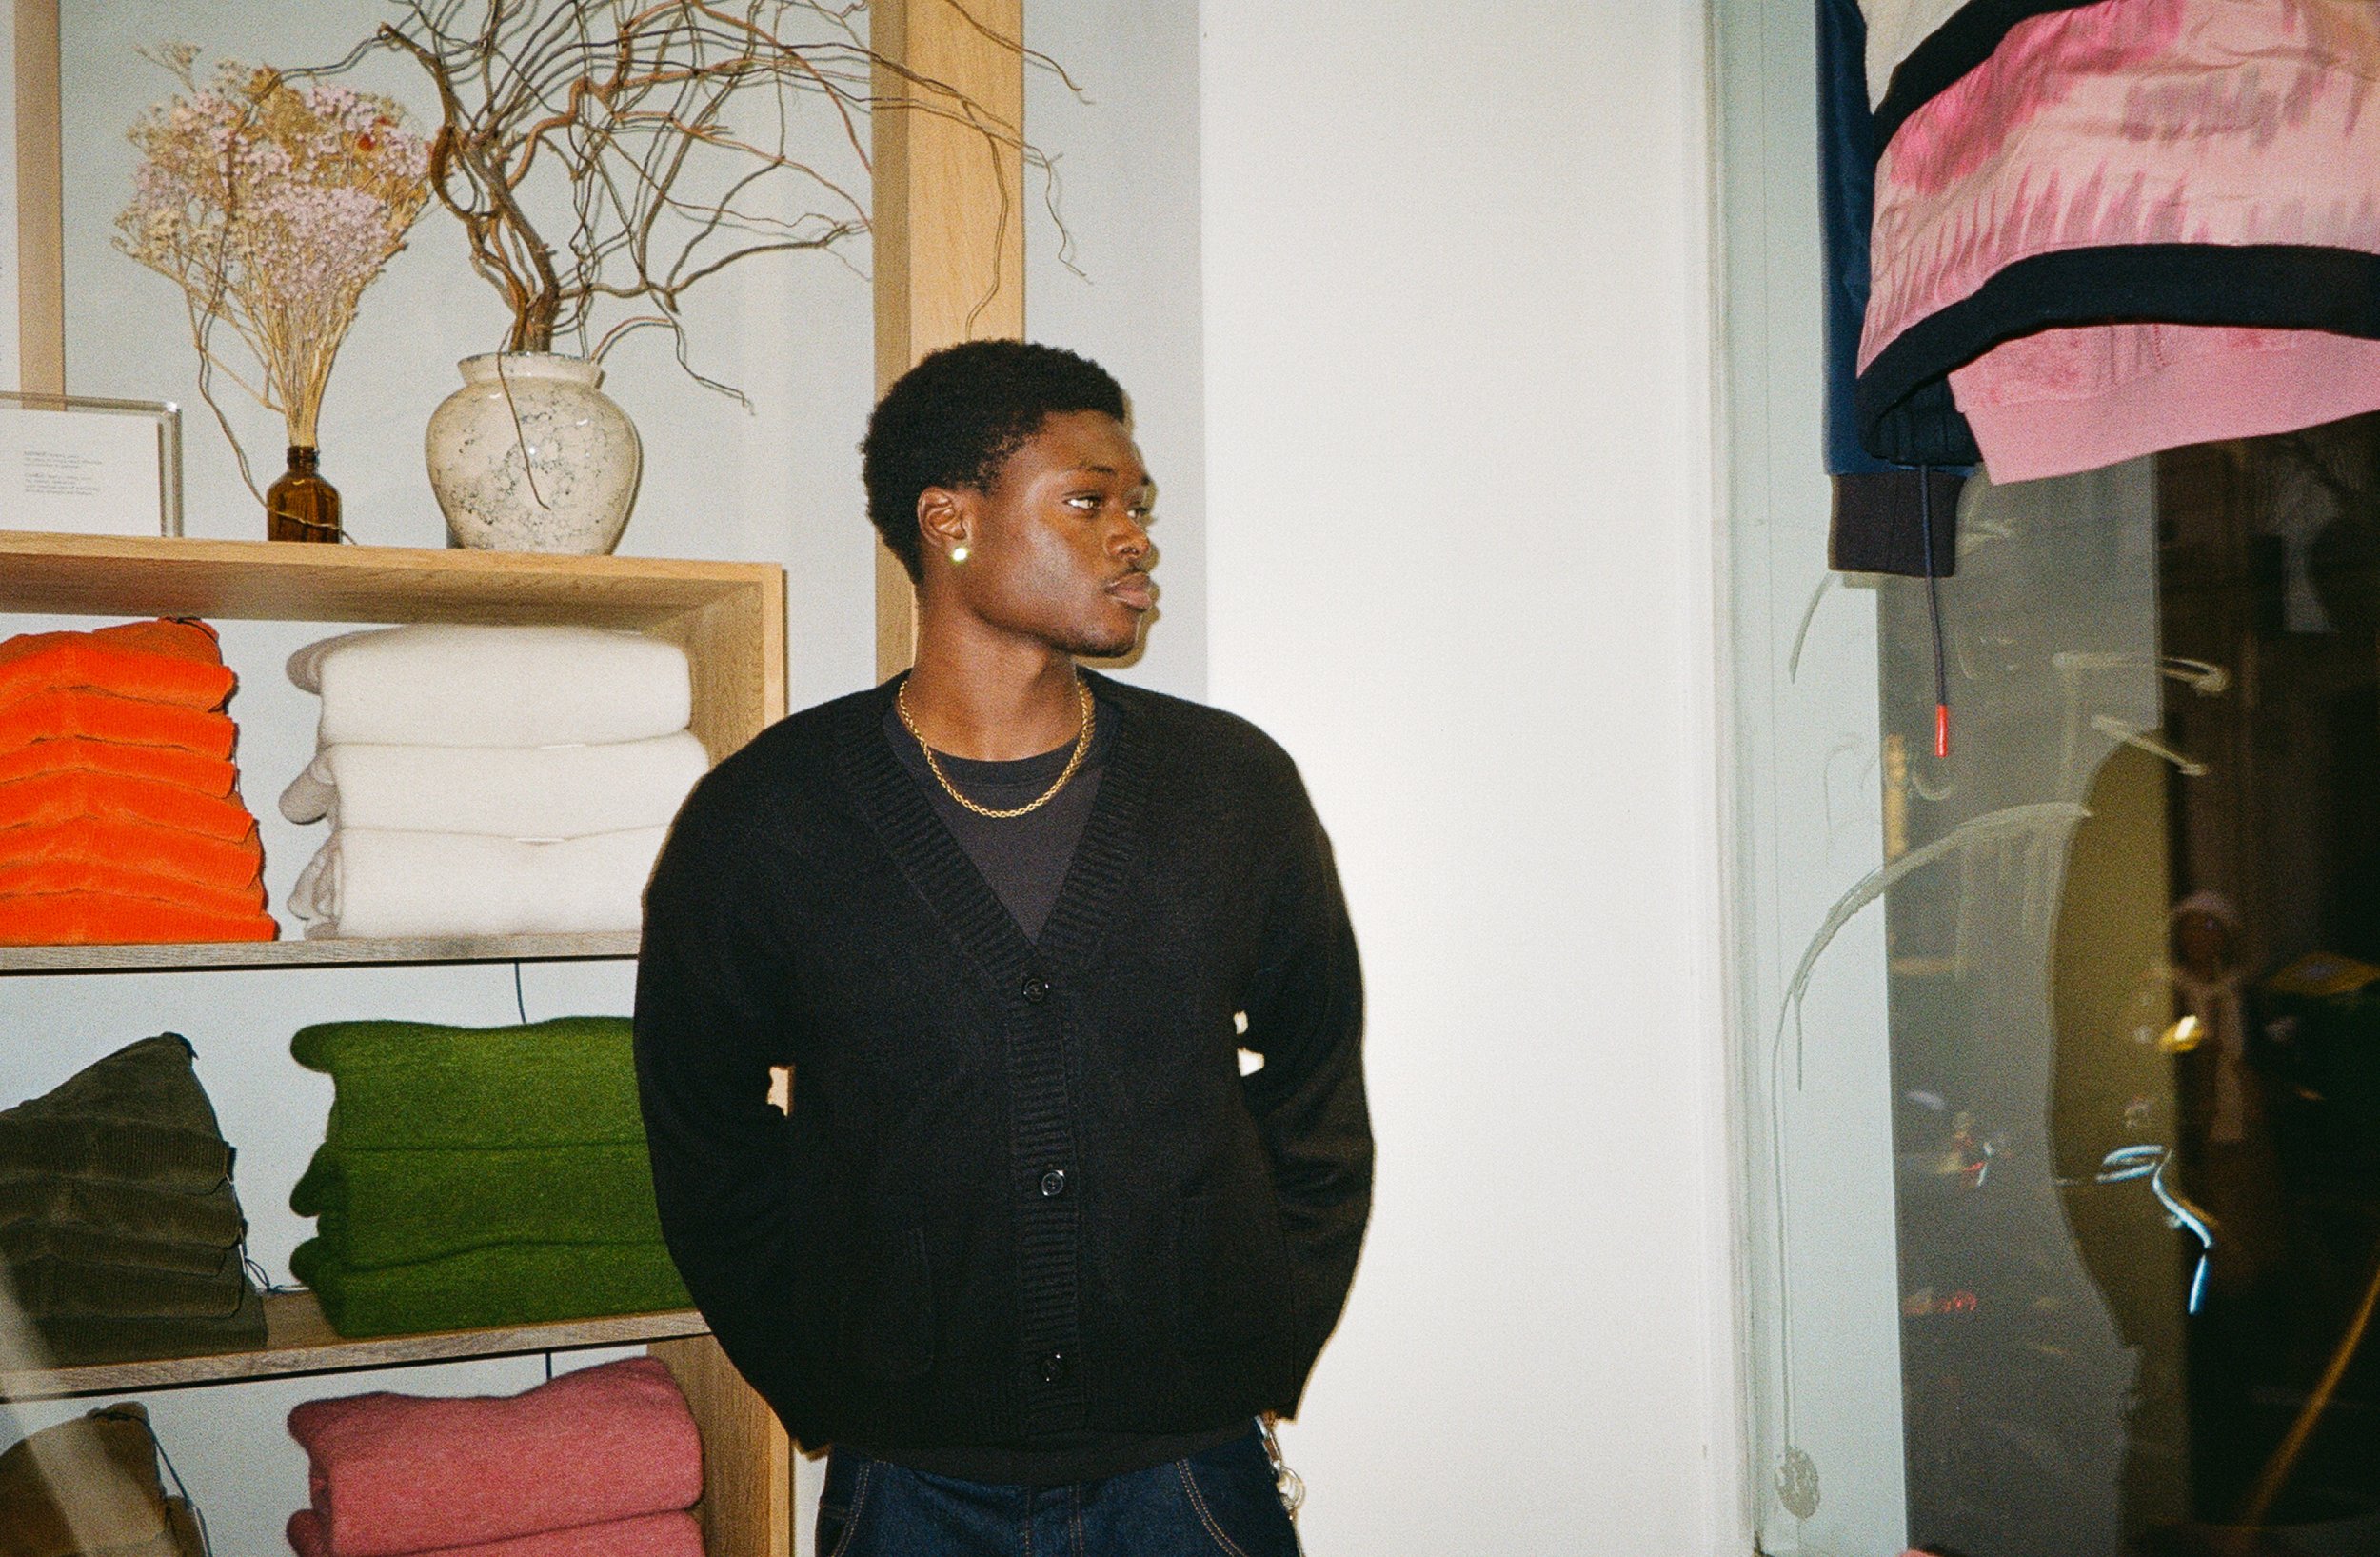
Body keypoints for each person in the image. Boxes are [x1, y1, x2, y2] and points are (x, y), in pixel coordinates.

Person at [633, 339, 1372, 1557]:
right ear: (950, 520)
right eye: (1086, 501)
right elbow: (698, 1123)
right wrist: (819, 1361)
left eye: (1137, 506)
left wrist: (1261, 1323)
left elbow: (1315, 1081)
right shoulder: (771, 814)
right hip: (906, 1485)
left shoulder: (1229, 787)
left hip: (1190, 1473)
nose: (1132, 537)